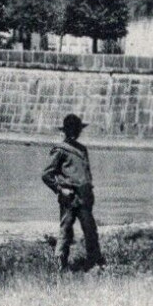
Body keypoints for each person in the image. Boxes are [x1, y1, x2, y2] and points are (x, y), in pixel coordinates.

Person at [42, 113, 104, 271]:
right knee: (65, 231)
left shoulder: (82, 150)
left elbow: (86, 174)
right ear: (66, 131)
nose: (75, 133)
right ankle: (59, 265)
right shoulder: (60, 150)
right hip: (68, 197)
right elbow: (46, 174)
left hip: (84, 197)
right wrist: (60, 189)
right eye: (72, 129)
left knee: (90, 230)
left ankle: (94, 262)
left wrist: (88, 192)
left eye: (76, 130)